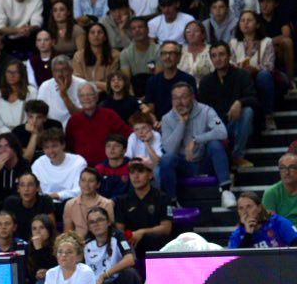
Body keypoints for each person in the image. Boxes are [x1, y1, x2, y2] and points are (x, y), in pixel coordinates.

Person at [158, 81, 234, 209]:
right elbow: (169, 149)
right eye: (175, 98)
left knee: (215, 144)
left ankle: (226, 191)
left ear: (192, 97)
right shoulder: (166, 119)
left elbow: (222, 132)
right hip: (183, 165)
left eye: (183, 97)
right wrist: (182, 123)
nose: (179, 102)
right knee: (167, 159)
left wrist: (196, 139)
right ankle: (172, 201)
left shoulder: (207, 111)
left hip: (204, 161)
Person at [114, 161, 174, 271]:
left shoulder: (163, 198)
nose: (135, 176)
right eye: (132, 172)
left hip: (155, 246)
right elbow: (119, 230)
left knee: (153, 238)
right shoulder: (122, 201)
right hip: (132, 245)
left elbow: (166, 228)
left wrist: (142, 232)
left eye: (140, 171)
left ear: (150, 175)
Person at [65, 82, 129, 166]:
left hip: (108, 167)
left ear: (96, 97)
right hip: (82, 168)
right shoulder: (73, 121)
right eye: (82, 96)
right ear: (79, 99)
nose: (86, 98)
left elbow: (128, 135)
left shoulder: (109, 115)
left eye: (90, 94)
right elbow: (69, 147)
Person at [30, 126, 86, 204]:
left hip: (72, 204)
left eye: (54, 146)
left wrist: (56, 195)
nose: (51, 151)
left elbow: (81, 189)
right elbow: (35, 190)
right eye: (46, 147)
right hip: (45, 205)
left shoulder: (78, 162)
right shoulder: (38, 164)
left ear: (63, 145)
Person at [229, 193, 297, 249]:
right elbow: (236, 260)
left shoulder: (278, 223)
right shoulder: (237, 235)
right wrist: (248, 235)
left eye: (249, 207)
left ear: (259, 208)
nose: (245, 212)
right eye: (241, 208)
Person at [61, 167, 113, 239]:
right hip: (77, 243)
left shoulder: (107, 204)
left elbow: (109, 231)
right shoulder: (69, 204)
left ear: (98, 184)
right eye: (83, 180)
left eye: (91, 181)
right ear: (79, 183)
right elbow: (68, 233)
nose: (86, 184)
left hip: (100, 242)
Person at [261, 154, 297, 221]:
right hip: (281, 227)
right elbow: (270, 223)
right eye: (283, 168)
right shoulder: (271, 193)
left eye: (292, 167)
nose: (287, 172)